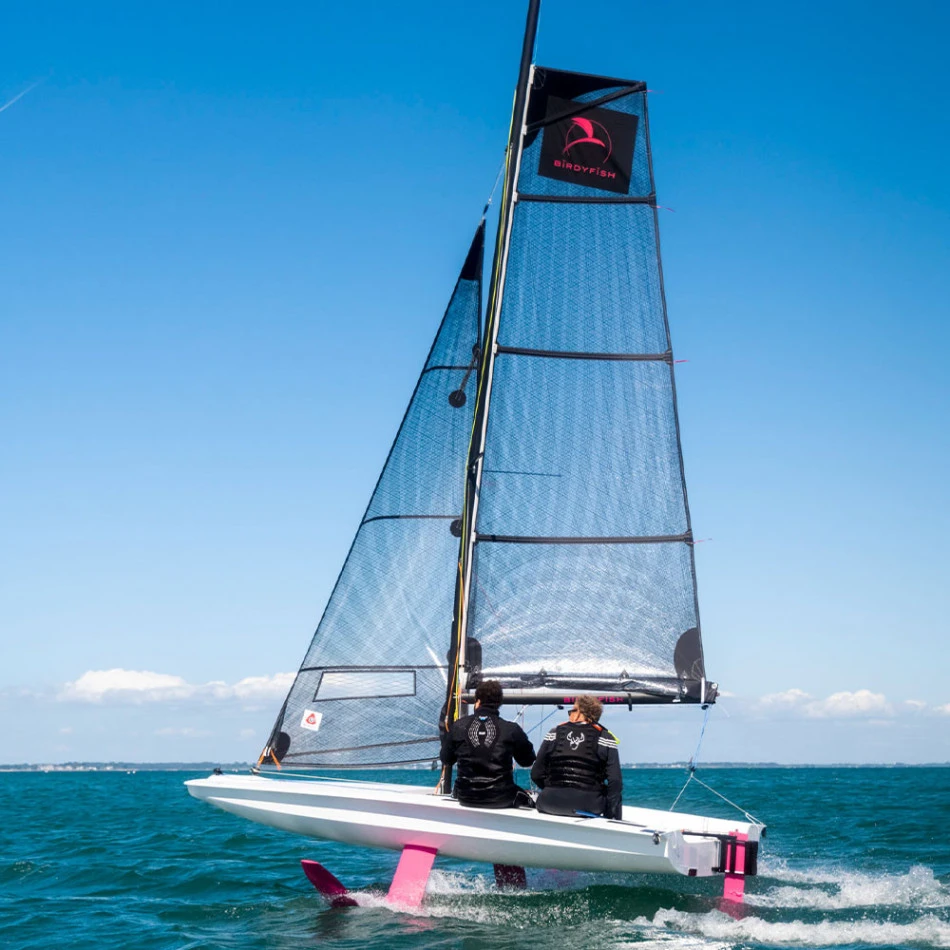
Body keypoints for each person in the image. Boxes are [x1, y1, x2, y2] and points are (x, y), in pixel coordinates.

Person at [440, 680, 536, 808]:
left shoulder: (458, 726)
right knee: (530, 803)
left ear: (478, 701)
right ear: (499, 704)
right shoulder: (511, 729)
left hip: (466, 796)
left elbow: (446, 759)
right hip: (500, 797)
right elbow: (528, 761)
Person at [530, 695, 623, 820]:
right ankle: (612, 825)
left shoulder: (554, 733)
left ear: (579, 713)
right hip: (588, 806)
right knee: (614, 794)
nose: (569, 715)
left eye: (572, 711)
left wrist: (552, 789)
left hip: (548, 802)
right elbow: (615, 781)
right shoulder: (606, 737)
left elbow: (536, 774)